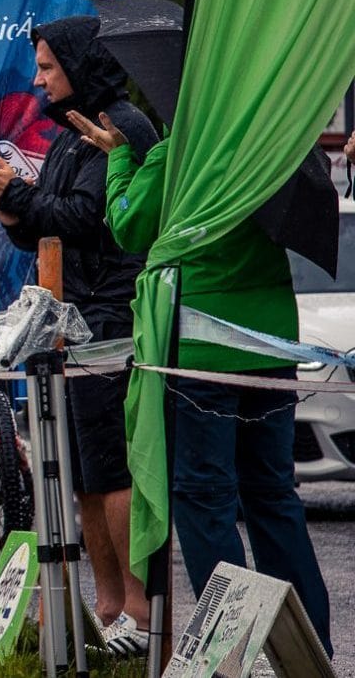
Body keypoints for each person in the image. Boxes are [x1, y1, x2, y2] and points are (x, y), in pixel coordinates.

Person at [73, 108, 335, 655]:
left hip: (198, 353)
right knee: (273, 496)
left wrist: (121, 157)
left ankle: (229, 652)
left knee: (205, 498)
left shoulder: (184, 147)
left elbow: (130, 224)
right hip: (269, 347)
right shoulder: (271, 138)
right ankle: (310, 652)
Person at [0, 16, 160, 650]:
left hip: (109, 316)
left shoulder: (120, 126)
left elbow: (89, 218)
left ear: (80, 64)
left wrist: (17, 194)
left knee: (113, 471)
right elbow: (44, 229)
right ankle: (107, 607)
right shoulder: (67, 136)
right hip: (70, 319)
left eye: (48, 67)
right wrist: (7, 206)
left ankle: (139, 608)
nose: (38, 78)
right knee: (84, 474)